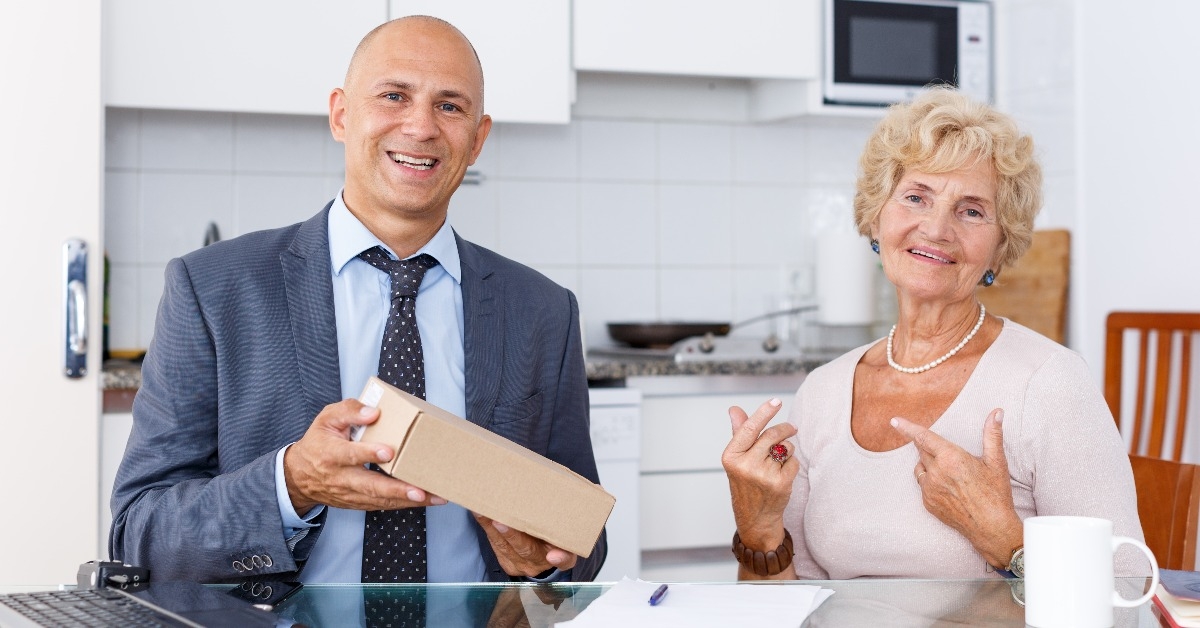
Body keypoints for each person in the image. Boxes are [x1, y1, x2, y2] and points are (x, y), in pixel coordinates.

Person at [109, 15, 606, 584]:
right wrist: (291, 483)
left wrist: (542, 564)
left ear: (478, 137)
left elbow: (584, 544)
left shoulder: (543, 311)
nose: (420, 127)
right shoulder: (214, 289)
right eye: (394, 96)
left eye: (450, 106)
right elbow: (137, 534)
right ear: (342, 114)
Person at [721, 87, 1145, 580]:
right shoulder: (823, 391)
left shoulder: (1049, 383)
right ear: (877, 219)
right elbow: (793, 605)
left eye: (970, 210)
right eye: (916, 197)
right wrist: (759, 531)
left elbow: (1128, 589)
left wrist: (1004, 538)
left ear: (999, 246)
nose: (937, 228)